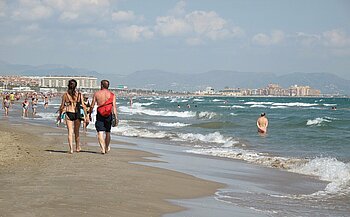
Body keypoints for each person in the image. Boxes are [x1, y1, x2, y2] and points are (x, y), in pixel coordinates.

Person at [58, 79, 89, 154]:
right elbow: (84, 106)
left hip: (69, 113)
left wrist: (60, 115)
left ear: (68, 85)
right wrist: (86, 116)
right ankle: (77, 147)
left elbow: (62, 106)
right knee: (77, 132)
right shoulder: (79, 95)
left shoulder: (65, 95)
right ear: (76, 86)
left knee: (70, 132)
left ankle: (71, 149)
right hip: (77, 114)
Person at [89, 80, 118, 154]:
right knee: (108, 132)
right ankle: (106, 147)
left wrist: (89, 113)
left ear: (101, 85)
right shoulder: (112, 95)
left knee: (100, 132)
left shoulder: (97, 94)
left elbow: (92, 105)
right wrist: (116, 117)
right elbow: (114, 107)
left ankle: (102, 149)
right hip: (109, 114)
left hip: (100, 114)